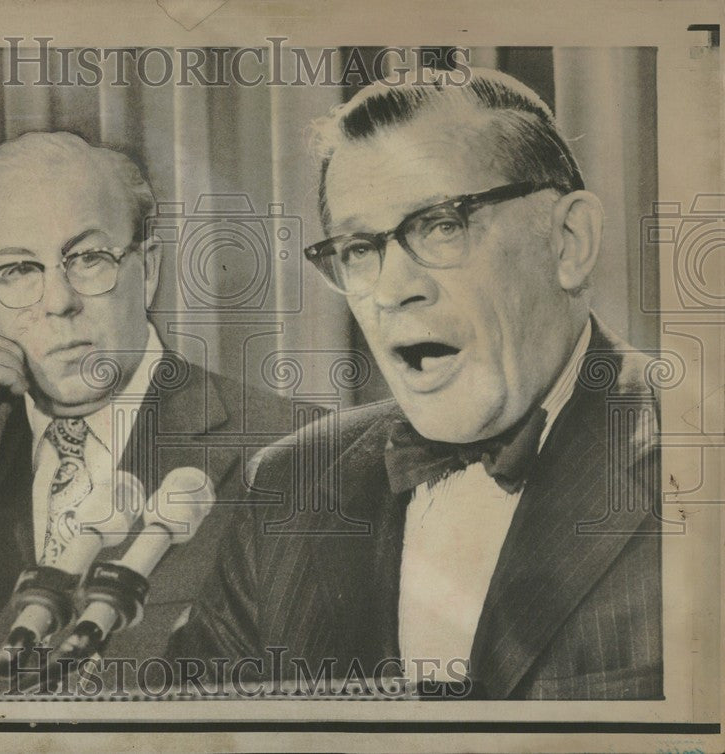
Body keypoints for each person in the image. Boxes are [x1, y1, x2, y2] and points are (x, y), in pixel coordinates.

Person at [168, 69, 663, 700]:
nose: (395, 289)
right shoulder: (291, 486)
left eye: (442, 226)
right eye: (358, 248)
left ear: (569, 242)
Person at [0, 132, 301, 699]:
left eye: (87, 258)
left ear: (147, 269)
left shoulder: (294, 450)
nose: (57, 301)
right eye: (17, 271)